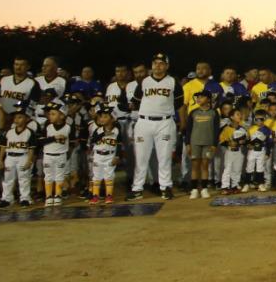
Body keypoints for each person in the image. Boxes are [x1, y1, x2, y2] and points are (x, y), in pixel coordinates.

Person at [130, 55, 180, 201]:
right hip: (144, 121)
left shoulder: (173, 82)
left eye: (161, 63)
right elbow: (136, 101)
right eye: (155, 63)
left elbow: (179, 102)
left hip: (165, 122)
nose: (158, 66)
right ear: (151, 65)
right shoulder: (144, 82)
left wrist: (163, 110)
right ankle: (137, 188)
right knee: (141, 157)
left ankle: (166, 187)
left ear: (167, 66)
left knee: (164, 157)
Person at [0, 109, 36, 209]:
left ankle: (25, 198)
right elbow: (3, 147)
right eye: (15, 117)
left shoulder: (29, 132)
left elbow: (31, 149)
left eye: (20, 117)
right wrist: (0, 160)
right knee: (8, 179)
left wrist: (29, 160)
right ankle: (7, 199)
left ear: (26, 119)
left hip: (23, 156)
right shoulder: (8, 132)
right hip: (9, 157)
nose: (17, 120)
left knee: (24, 178)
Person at [186, 92, 219, 199]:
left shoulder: (214, 113)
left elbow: (216, 129)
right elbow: (188, 129)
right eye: (198, 97)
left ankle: (204, 189)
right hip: (194, 142)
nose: (199, 99)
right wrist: (187, 143)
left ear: (208, 99)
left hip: (208, 143)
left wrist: (214, 144)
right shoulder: (193, 112)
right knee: (195, 166)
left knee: (205, 166)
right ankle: (194, 189)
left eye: (202, 97)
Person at [87, 107, 121, 204]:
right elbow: (92, 140)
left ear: (112, 118)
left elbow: (120, 144)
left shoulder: (117, 130)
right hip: (98, 155)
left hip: (110, 155)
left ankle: (109, 196)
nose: (102, 119)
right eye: (101, 117)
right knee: (96, 176)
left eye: (105, 117)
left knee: (109, 176)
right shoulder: (98, 130)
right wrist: (104, 133)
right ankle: (95, 196)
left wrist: (117, 156)